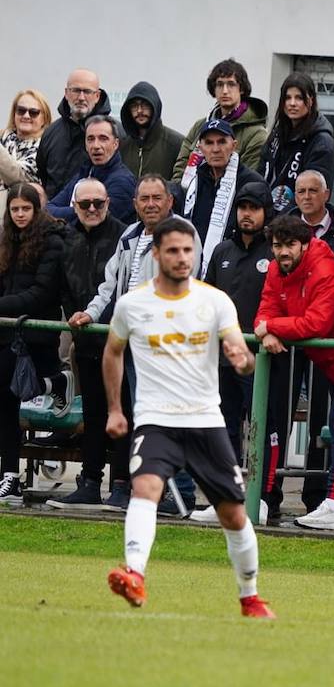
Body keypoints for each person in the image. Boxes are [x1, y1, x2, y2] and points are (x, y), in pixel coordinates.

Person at [102, 216, 273, 619]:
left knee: (233, 513)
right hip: (155, 419)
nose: (182, 258)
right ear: (157, 254)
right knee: (145, 488)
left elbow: (242, 356)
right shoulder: (132, 305)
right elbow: (113, 351)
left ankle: (250, 596)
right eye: (173, 251)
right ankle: (135, 574)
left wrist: (242, 359)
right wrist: (114, 408)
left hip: (204, 420)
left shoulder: (214, 301)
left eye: (188, 250)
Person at [71, 174, 204, 517]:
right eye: (143, 198)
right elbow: (108, 285)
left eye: (156, 197)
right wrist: (90, 313)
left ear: (169, 201)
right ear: (134, 203)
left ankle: (182, 494)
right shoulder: (130, 235)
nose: (150, 204)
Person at [255, 215, 334, 530]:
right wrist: (268, 331)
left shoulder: (325, 270)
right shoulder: (277, 270)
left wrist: (272, 327)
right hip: (333, 363)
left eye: (290, 244)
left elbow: (317, 324)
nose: (283, 252)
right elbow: (264, 311)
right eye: (278, 245)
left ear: (305, 244)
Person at [200, 183, 282, 522]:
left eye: (254, 207)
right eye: (242, 207)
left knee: (265, 427)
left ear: (265, 212)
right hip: (223, 358)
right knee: (225, 429)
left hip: (262, 359)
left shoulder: (274, 252)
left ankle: (265, 498)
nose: (246, 214)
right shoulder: (222, 252)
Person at [48, 180, 127, 511]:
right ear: (75, 205)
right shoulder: (66, 238)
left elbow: (118, 288)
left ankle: (122, 484)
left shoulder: (125, 237)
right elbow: (63, 287)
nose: (92, 209)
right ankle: (90, 482)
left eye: (98, 203)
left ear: (108, 202)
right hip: (86, 341)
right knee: (93, 415)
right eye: (85, 204)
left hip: (120, 342)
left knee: (122, 413)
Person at [0, 184, 67, 504]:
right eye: (15, 209)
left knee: (9, 395)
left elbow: (41, 294)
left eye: (26, 209)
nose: (20, 215)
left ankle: (10, 475)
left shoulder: (52, 242)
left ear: (36, 210)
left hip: (35, 336)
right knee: (5, 401)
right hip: (9, 334)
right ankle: (9, 474)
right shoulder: (5, 242)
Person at [173, 118, 267, 273]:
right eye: (209, 143)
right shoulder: (193, 181)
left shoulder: (252, 183)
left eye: (222, 142)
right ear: (200, 147)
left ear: (234, 145)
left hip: (237, 267)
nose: (215, 149)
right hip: (193, 266)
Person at [172, 58, 270, 181]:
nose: (224, 91)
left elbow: (250, 180)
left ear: (242, 88)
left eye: (231, 84)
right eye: (219, 84)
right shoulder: (200, 125)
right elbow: (181, 167)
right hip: (190, 195)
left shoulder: (257, 133)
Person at [260, 72, 334, 212]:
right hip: (268, 215)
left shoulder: (321, 141)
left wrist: (281, 221)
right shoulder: (277, 134)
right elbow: (261, 175)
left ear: (311, 101)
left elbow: (313, 197)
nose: (292, 103)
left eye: (299, 98)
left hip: (296, 224)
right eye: (288, 98)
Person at [37, 69, 115, 196]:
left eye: (87, 91)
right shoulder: (51, 132)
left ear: (97, 96)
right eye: (76, 90)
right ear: (66, 93)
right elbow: (43, 174)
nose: (81, 97)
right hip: (54, 213)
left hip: (94, 212)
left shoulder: (114, 132)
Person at [49, 116, 137, 223]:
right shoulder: (85, 172)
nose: (96, 145)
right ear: (85, 145)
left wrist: (79, 209)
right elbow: (48, 209)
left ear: (115, 144)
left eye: (103, 139)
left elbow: (95, 221)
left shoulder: (123, 181)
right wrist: (80, 211)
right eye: (90, 139)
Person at [118, 82, 182, 179]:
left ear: (155, 106)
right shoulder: (122, 145)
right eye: (134, 106)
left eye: (145, 105)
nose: (139, 110)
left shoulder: (175, 143)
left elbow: (182, 182)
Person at [1, 89, 51, 200]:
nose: (26, 116)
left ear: (44, 118)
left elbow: (17, 176)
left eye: (33, 112)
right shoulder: (2, 139)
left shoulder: (45, 148)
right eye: (21, 110)